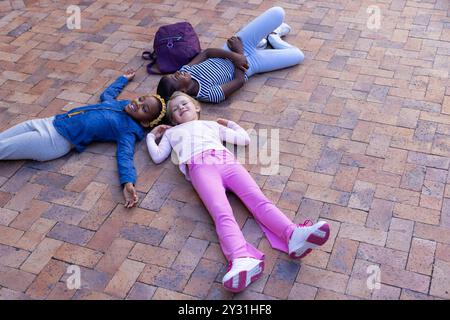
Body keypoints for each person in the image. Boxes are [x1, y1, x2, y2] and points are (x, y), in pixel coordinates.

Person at [146, 92, 330, 292]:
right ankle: (241, 258)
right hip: (201, 169)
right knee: (221, 213)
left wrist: (231, 124)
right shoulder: (172, 133)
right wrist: (151, 136)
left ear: (197, 107)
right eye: (176, 109)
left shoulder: (212, 125)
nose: (181, 107)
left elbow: (243, 139)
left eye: (184, 103)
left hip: (227, 162)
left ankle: (294, 235)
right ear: (173, 119)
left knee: (260, 201)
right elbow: (157, 156)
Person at [0, 69, 167, 208]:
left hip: (53, 140)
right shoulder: (120, 104)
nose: (138, 103)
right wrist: (122, 79)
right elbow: (107, 94)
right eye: (141, 99)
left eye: (144, 109)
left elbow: (125, 156)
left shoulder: (128, 131)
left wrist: (128, 182)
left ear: (145, 122)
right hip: (50, 121)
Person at [156, 6, 304, 104]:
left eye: (174, 73)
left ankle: (264, 41)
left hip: (232, 48)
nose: (179, 72)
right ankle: (273, 37)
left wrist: (235, 53)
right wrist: (240, 55)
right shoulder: (209, 95)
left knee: (278, 12)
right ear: (183, 91)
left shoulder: (186, 71)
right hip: (249, 65)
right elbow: (239, 82)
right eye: (176, 77)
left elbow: (207, 53)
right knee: (298, 56)